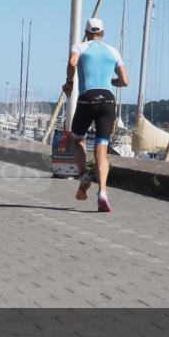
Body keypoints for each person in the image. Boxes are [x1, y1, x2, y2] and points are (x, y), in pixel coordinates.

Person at [62, 18, 128, 213]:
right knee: (102, 149)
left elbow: (72, 63)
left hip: (87, 98)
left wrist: (69, 83)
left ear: (86, 32)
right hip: (108, 100)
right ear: (103, 33)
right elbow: (125, 80)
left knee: (75, 140)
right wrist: (110, 82)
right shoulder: (113, 51)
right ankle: (103, 194)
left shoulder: (80, 47)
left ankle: (83, 175)